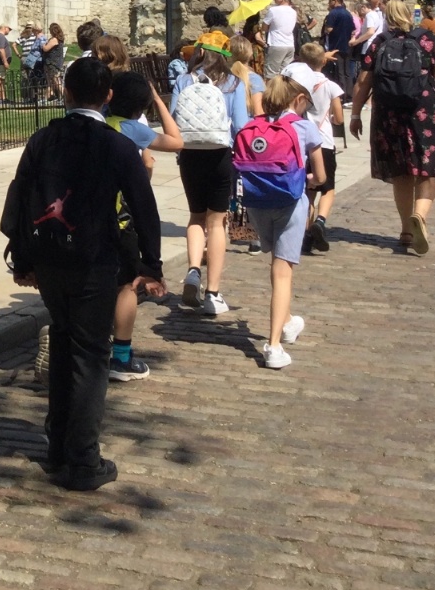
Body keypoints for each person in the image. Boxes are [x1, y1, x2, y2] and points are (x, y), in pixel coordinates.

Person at [0, 56, 161, 492]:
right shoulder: (116, 146)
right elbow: (143, 206)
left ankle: (58, 445)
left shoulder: (44, 138)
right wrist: (151, 263)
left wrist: (23, 257)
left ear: (66, 93)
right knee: (90, 354)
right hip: (93, 260)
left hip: (51, 258)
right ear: (107, 96)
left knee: (64, 341)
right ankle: (83, 457)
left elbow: (20, 197)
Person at [350, 0, 435, 255]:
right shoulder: (427, 39)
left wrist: (355, 115)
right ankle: (419, 215)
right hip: (423, 109)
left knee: (400, 170)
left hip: (388, 112)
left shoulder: (379, 42)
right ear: (410, 15)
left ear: (387, 17)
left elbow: (363, 81)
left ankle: (406, 231)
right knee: (430, 164)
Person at [235, 76, 326, 370]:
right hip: (290, 202)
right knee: (283, 271)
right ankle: (274, 345)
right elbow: (321, 176)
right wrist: (308, 179)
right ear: (296, 100)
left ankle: (288, 321)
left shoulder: (252, 125)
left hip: (257, 203)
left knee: (276, 263)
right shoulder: (303, 127)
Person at [103, 71, 178, 381]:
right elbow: (177, 141)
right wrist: (159, 101)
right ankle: (121, 357)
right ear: (141, 106)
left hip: (86, 214)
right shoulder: (131, 128)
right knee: (126, 286)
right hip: (120, 215)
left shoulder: (100, 121)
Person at [171, 45, 250, 315]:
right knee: (217, 222)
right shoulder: (233, 83)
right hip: (220, 153)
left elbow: (174, 117)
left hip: (190, 153)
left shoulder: (184, 80)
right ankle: (213, 293)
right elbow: (241, 125)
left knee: (196, 216)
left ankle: (194, 270)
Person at [282, 42, 344, 255]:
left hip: (301, 140)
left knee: (308, 191)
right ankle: (320, 220)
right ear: (323, 62)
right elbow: (339, 118)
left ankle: (305, 233)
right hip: (323, 140)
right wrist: (332, 118)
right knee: (327, 187)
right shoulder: (330, 85)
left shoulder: (297, 84)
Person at [320, 0, 357, 94]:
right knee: (347, 72)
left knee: (339, 71)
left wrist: (326, 29)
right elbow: (353, 30)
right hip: (347, 46)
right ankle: (349, 94)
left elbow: (329, 29)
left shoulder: (333, 13)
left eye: (330, 1)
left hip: (336, 45)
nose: (329, 3)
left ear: (335, 1)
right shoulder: (348, 13)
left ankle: (341, 94)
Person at [261, 0, 299, 78]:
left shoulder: (273, 10)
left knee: (271, 74)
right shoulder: (293, 12)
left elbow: (264, 27)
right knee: (285, 74)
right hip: (290, 45)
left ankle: (271, 87)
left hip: (277, 44)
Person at [228, 34, 265, 116]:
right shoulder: (254, 79)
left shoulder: (221, 76)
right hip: (248, 122)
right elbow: (258, 113)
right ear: (250, 55)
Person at [349, 0, 385, 70]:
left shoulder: (369, 15)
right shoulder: (374, 14)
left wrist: (356, 42)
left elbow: (370, 32)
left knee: (365, 71)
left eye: (359, 10)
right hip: (375, 45)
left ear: (363, 7)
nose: (359, 13)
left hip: (368, 46)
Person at [42, 22, 67, 101]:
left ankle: (64, 96)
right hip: (54, 62)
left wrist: (42, 44)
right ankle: (49, 96)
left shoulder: (54, 39)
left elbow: (46, 48)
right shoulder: (59, 39)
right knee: (51, 81)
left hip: (52, 63)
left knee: (56, 80)